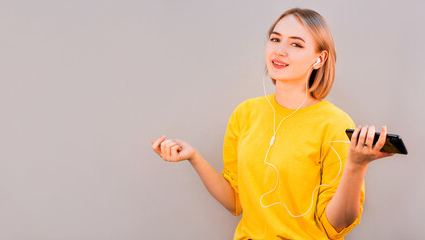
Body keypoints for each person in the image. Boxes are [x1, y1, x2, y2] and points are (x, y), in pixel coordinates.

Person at [150, 8, 395, 240]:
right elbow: (236, 201)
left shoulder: (334, 123)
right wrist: (194, 157)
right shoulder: (245, 113)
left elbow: (337, 224)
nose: (280, 50)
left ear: (319, 59)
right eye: (275, 39)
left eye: (296, 44)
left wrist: (356, 165)